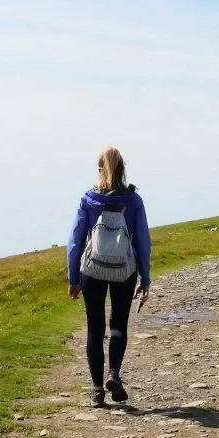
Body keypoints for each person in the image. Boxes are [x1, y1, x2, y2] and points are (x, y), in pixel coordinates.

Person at [68, 147, 151, 406]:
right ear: (123, 169)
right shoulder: (133, 201)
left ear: (100, 169)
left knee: (95, 328)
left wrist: (73, 278)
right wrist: (145, 278)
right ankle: (113, 373)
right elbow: (143, 240)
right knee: (118, 324)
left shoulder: (88, 200)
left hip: (91, 269)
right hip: (125, 270)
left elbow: (75, 241)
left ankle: (96, 390)